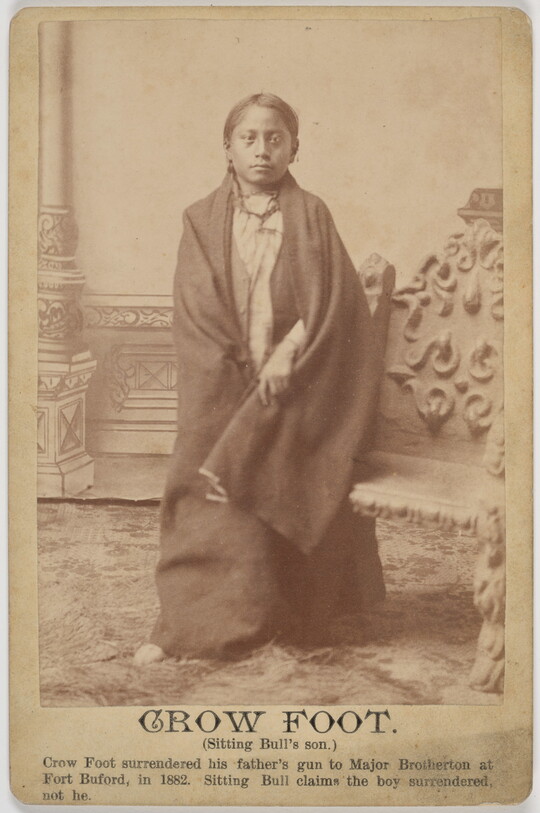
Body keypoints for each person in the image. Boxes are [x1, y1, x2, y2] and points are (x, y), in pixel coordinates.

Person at [134, 92, 385, 666]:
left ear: (295, 147)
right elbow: (196, 308)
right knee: (204, 477)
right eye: (248, 138)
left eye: (275, 138)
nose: (262, 150)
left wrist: (288, 356)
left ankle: (280, 616)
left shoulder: (311, 215)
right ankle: (187, 623)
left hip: (296, 386)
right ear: (228, 148)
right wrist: (237, 385)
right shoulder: (201, 219)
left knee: (292, 467)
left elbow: (336, 306)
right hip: (222, 383)